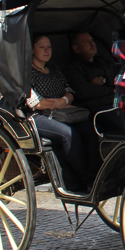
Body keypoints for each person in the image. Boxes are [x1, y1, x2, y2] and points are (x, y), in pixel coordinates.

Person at [28, 34, 97, 192]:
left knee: (90, 129)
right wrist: (58, 104)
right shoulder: (27, 73)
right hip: (36, 116)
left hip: (60, 112)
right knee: (68, 133)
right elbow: (34, 102)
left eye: (49, 47)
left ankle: (95, 174)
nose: (46, 50)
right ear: (32, 50)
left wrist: (62, 101)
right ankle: (84, 177)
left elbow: (69, 91)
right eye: (41, 47)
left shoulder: (54, 69)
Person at [63, 31, 118, 112]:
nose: (92, 43)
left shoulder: (103, 62)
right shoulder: (73, 68)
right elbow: (83, 92)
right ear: (76, 48)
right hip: (95, 109)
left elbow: (115, 79)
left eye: (92, 40)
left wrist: (102, 82)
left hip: (114, 102)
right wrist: (110, 90)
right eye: (86, 42)